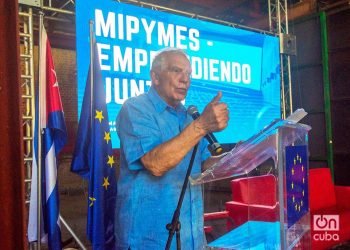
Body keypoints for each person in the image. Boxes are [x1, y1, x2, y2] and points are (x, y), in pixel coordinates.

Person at [114, 48, 229, 250]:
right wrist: (202, 125)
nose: (185, 80)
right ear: (155, 77)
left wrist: (243, 154)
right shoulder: (134, 109)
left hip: (190, 238)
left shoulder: (189, 117)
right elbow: (155, 164)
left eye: (189, 74)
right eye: (177, 71)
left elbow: (204, 165)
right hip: (148, 239)